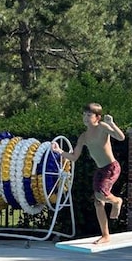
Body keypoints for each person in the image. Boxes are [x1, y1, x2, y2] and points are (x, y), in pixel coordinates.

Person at [53, 103, 125, 244]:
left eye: (89, 115)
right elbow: (74, 157)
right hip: (100, 170)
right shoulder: (83, 137)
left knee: (100, 194)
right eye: (84, 115)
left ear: (97, 117)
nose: (85, 118)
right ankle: (105, 235)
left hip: (111, 167)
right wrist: (59, 151)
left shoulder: (103, 127)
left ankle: (117, 201)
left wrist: (113, 124)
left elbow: (121, 137)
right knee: (98, 203)